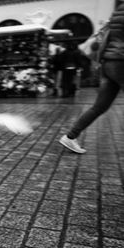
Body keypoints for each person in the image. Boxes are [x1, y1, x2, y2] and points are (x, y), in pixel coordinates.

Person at [59, 2, 124, 153]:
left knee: (99, 106)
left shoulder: (118, 10)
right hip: (121, 61)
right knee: (99, 107)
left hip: (108, 62)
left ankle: (70, 136)